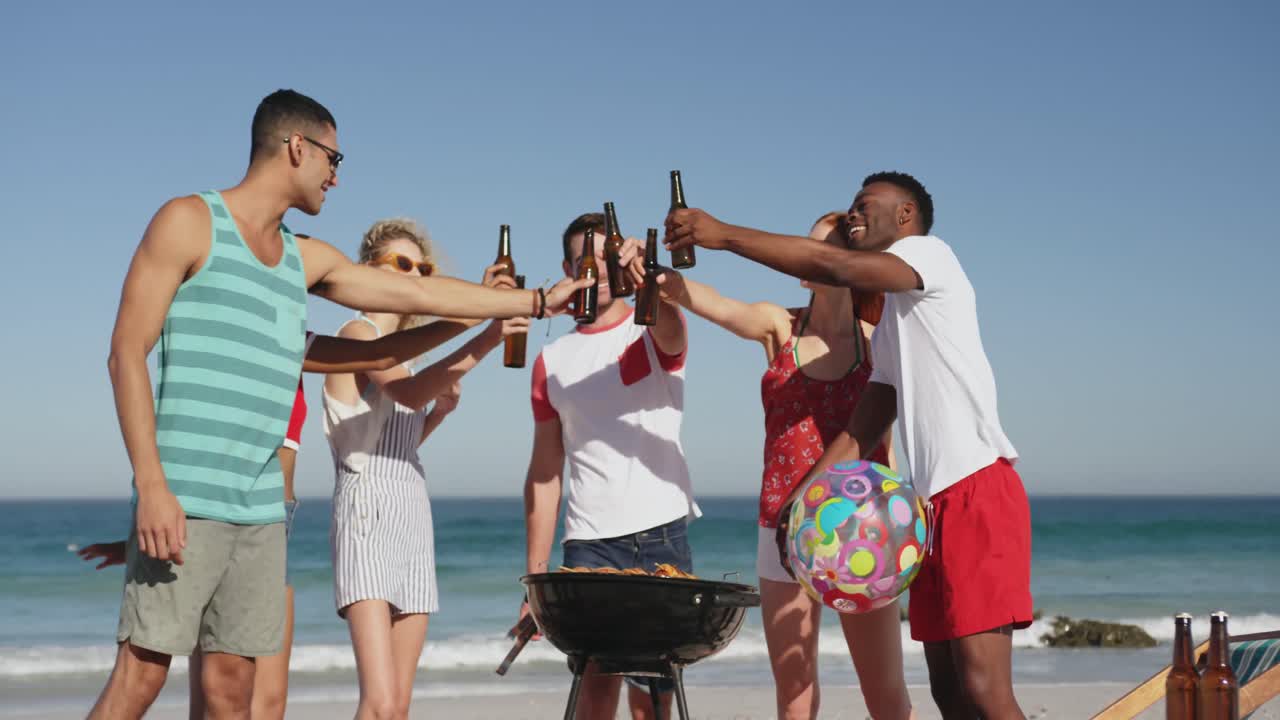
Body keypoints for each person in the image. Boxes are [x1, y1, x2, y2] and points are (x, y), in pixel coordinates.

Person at [93, 88, 584, 720]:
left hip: (263, 511)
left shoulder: (301, 259)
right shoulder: (188, 222)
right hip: (187, 497)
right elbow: (125, 353)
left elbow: (400, 317)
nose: (336, 175)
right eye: (333, 157)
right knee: (141, 678)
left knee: (230, 693)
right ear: (296, 145)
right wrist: (152, 485)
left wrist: (535, 303)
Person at [665, 171, 1031, 719]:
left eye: (865, 204)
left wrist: (723, 235)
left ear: (905, 215)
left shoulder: (931, 256)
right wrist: (802, 501)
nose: (854, 213)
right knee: (950, 694)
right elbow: (865, 425)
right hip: (929, 508)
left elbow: (833, 266)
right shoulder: (891, 330)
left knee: (984, 689)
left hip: (976, 488)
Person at [78, 310, 491, 719]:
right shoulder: (238, 333)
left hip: (273, 522)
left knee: (260, 700)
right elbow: (198, 432)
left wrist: (483, 314)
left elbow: (384, 363)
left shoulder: (294, 340)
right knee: (152, 679)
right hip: (214, 512)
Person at [651, 211, 912, 719]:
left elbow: (884, 438)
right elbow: (718, 305)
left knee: (885, 697)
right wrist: (664, 281)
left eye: (826, 248)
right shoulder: (780, 327)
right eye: (806, 247)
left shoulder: (880, 340)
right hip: (784, 530)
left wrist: (906, 518)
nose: (810, 256)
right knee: (794, 697)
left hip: (866, 531)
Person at [322, 217, 528, 720]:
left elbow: (402, 441)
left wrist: (440, 413)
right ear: (368, 271)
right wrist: (486, 336)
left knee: (400, 707)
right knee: (379, 702)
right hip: (367, 505)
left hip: (411, 505)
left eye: (423, 268)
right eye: (401, 264)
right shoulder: (357, 333)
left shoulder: (409, 360)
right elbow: (404, 397)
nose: (414, 275)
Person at [515, 212, 696, 720]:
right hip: (588, 544)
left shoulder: (647, 328)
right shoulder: (552, 359)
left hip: (659, 534)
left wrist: (647, 280)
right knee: (592, 698)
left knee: (654, 698)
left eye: (603, 259)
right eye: (583, 262)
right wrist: (535, 580)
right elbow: (545, 474)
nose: (593, 271)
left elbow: (673, 330)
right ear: (567, 268)